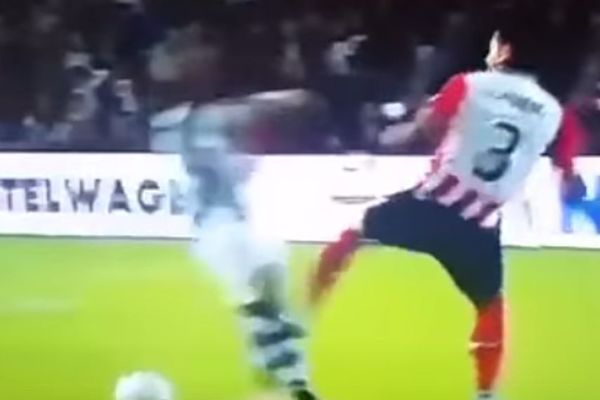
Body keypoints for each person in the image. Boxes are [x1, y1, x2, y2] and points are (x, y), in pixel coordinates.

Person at [310, 19, 586, 400]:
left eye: (494, 45)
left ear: (505, 52)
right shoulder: (557, 115)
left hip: (431, 204)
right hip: (479, 225)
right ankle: (486, 393)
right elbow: (568, 179)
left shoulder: (469, 84)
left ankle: (305, 317)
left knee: (354, 232)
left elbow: (429, 127)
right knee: (490, 306)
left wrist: (413, 129)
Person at [148, 25, 320, 400]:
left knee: (269, 294)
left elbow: (235, 122)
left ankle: (271, 356)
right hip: (221, 230)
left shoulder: (173, 123)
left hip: (227, 228)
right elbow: (249, 112)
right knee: (265, 303)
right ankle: (295, 381)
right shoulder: (202, 119)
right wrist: (286, 99)